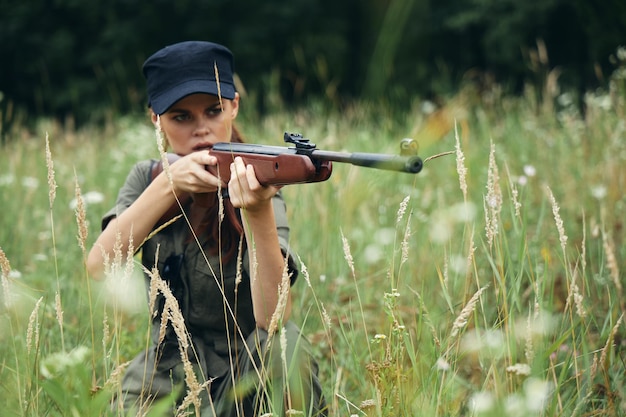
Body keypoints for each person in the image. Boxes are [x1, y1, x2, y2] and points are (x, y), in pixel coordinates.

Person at [87, 40, 327, 416]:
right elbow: (99, 265)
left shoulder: (257, 179)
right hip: (168, 369)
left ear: (234, 106)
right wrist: (168, 184)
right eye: (181, 117)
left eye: (214, 111)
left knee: (286, 347)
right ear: (156, 119)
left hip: (245, 367)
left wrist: (258, 210)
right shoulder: (148, 177)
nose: (201, 130)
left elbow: (274, 319)